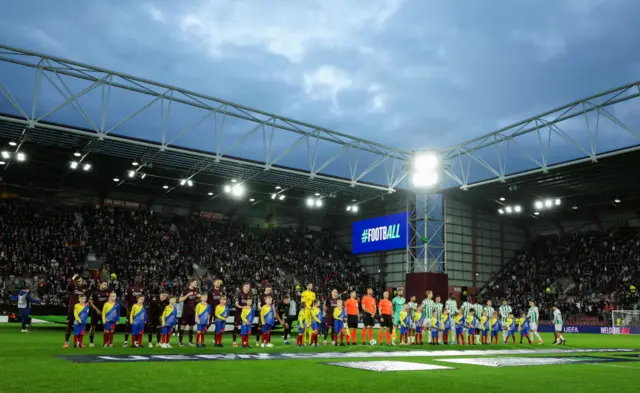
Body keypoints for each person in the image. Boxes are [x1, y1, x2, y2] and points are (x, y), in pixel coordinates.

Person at [64, 274, 88, 348]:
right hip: (72, 308)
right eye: (78, 281)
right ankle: (66, 342)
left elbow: (86, 298)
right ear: (75, 282)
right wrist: (73, 278)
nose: (80, 282)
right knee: (69, 325)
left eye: (80, 280)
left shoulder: (84, 288)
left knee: (80, 326)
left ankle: (80, 342)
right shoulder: (73, 287)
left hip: (80, 310)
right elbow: (69, 286)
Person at [123, 277, 145, 348]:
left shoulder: (142, 288)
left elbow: (144, 298)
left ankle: (137, 342)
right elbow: (126, 299)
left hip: (139, 310)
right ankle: (126, 342)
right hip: (131, 309)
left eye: (139, 278)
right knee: (128, 326)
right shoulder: (129, 287)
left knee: (138, 328)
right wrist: (127, 308)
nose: (138, 280)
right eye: (137, 279)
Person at [88, 280, 110, 348]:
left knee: (106, 327)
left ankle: (105, 342)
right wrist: (97, 310)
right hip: (95, 312)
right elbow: (90, 302)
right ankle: (91, 342)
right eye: (104, 284)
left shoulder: (108, 292)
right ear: (100, 285)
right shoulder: (95, 292)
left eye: (106, 284)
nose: (105, 285)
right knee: (92, 327)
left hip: (104, 312)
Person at [178, 279, 199, 347]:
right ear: (191, 283)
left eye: (196, 283)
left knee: (191, 326)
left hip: (193, 312)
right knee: (182, 326)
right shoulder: (185, 290)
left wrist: (199, 298)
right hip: (186, 311)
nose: (196, 284)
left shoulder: (196, 291)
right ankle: (180, 342)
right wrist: (187, 295)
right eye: (195, 282)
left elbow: (195, 301)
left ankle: (190, 342)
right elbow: (180, 299)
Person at [233, 282, 252, 348]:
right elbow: (236, 304)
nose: (248, 288)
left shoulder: (250, 294)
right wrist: (242, 307)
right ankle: (234, 342)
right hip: (239, 312)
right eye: (246, 286)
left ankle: (245, 342)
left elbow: (251, 303)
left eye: (248, 286)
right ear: (243, 287)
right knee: (236, 327)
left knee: (246, 327)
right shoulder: (239, 294)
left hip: (246, 314)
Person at [207, 278, 223, 342]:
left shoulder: (222, 292)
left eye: (219, 282)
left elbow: (223, 301)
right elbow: (207, 301)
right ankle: (202, 334)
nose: (218, 283)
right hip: (211, 309)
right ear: (214, 283)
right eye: (217, 282)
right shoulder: (210, 292)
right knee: (208, 323)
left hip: (219, 311)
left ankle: (215, 338)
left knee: (218, 324)